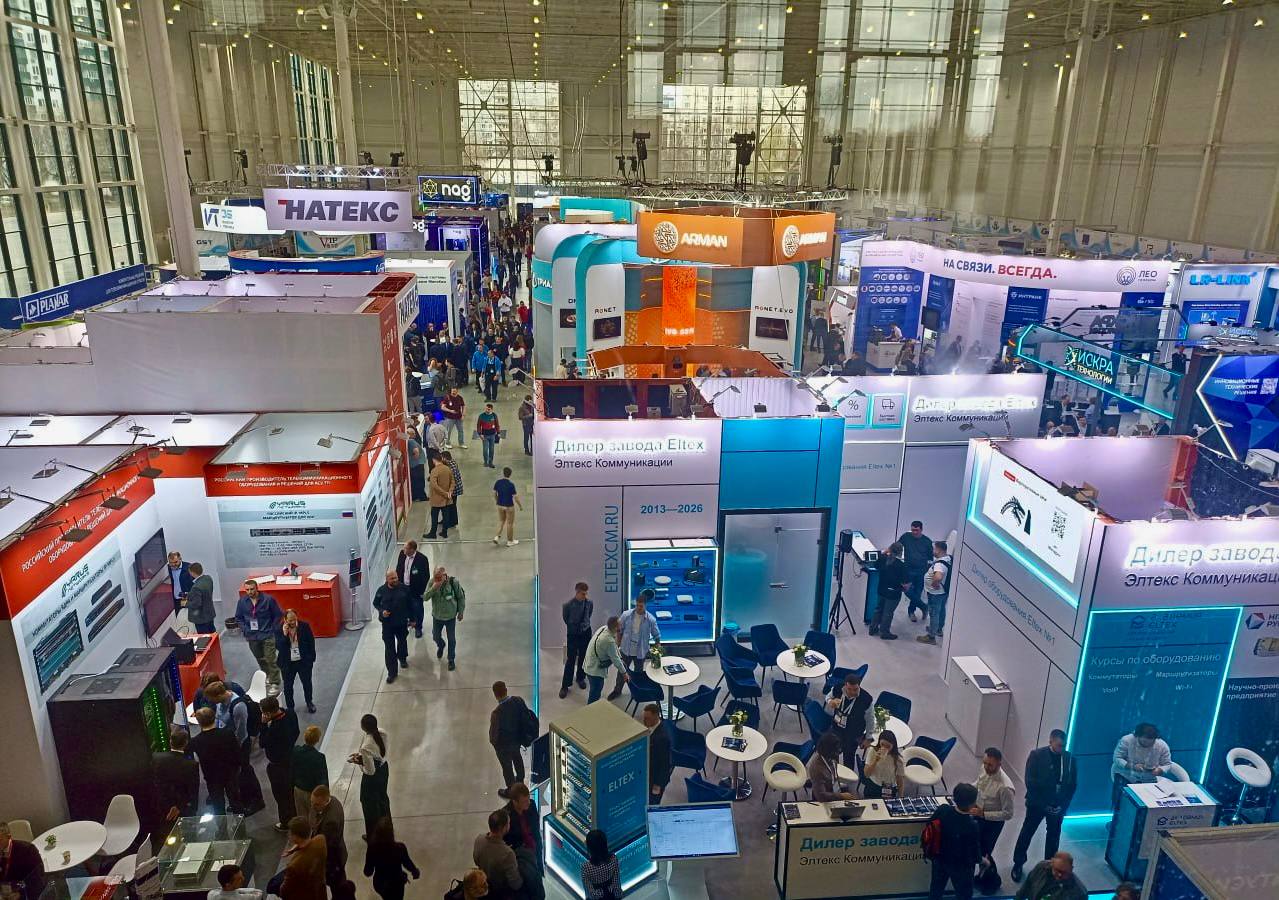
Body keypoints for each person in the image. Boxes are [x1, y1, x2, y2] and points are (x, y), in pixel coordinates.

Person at [1011, 729, 1077, 883]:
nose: (1061, 749)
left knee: (1053, 837)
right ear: (1051, 741)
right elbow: (1030, 782)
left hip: (1058, 806)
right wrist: (1045, 804)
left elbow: (1072, 785)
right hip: (1037, 805)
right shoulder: (1036, 755)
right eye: (1059, 745)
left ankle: (1050, 866)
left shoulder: (1069, 759)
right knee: (1027, 832)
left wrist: (1063, 806)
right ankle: (1018, 863)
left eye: (1064, 746)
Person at [206, 681, 265, 814]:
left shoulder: (238, 706)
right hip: (228, 743)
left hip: (240, 745)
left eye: (212, 699)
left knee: (245, 771)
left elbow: (241, 732)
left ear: (218, 695)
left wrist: (233, 749)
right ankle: (244, 799)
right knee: (237, 774)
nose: (211, 702)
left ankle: (256, 801)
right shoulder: (221, 703)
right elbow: (219, 720)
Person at [927, 782, 981, 900]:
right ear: (972, 804)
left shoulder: (943, 810)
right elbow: (974, 852)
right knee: (963, 894)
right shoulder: (972, 825)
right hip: (960, 867)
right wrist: (982, 860)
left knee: (936, 889)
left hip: (939, 859)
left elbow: (930, 824)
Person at [972, 747, 1015, 882]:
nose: (986, 766)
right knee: (973, 846)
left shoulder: (1005, 787)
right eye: (984, 762)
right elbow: (978, 784)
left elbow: (1008, 814)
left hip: (992, 824)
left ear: (999, 764)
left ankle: (988, 878)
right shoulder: (984, 768)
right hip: (977, 813)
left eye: (990, 765)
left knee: (985, 851)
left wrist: (984, 814)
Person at [189, 706, 242, 815]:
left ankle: (221, 825)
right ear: (214, 717)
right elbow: (237, 752)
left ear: (199, 722)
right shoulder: (228, 733)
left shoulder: (196, 741)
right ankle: (239, 822)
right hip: (230, 773)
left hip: (211, 776)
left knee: (218, 805)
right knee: (235, 801)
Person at [609, 592, 661, 700]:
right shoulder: (626, 615)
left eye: (641, 606)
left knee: (638, 674)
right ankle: (617, 690)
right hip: (626, 649)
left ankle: (637, 691)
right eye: (637, 605)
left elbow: (657, 636)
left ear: (645, 605)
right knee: (621, 671)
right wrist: (618, 644)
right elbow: (619, 630)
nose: (638, 608)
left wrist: (657, 652)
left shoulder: (651, 619)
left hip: (640, 651)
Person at [1111, 723, 1172, 814]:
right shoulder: (1126, 740)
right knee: (1120, 805)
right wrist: (1132, 766)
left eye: (1151, 743)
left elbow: (1167, 764)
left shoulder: (1162, 745)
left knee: (1148, 805)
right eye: (1144, 742)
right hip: (1125, 775)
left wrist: (1160, 770)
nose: (1147, 745)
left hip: (1149, 778)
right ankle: (1117, 819)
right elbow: (1117, 758)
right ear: (1137, 736)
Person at [260, 696, 301, 832]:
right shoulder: (290, 713)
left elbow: (262, 743)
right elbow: (297, 731)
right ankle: (296, 816)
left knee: (281, 795)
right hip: (292, 759)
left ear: (268, 713)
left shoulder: (274, 729)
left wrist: (263, 725)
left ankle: (286, 822)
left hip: (278, 765)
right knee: (291, 791)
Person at [235, 579, 283, 689]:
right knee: (260, 658)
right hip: (252, 636)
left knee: (271, 659)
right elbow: (238, 618)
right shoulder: (242, 602)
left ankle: (275, 682)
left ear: (257, 588)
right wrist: (245, 629)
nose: (250, 592)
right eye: (247, 590)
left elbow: (278, 614)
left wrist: (273, 628)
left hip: (267, 634)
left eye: (252, 589)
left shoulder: (268, 599)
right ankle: (267, 675)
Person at [350, 714, 392, 839]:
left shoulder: (365, 747)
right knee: (383, 799)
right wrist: (363, 757)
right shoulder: (383, 733)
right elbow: (378, 753)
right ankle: (387, 828)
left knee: (369, 806)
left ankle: (373, 835)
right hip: (384, 769)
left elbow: (370, 771)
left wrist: (359, 762)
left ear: (363, 727)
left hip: (373, 779)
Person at [490, 680, 532, 797]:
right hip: (517, 741)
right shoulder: (518, 700)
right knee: (518, 759)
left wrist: (495, 745)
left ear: (495, 695)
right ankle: (520, 781)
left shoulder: (496, 713)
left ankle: (511, 790)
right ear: (506, 690)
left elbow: (494, 736)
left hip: (504, 747)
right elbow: (526, 716)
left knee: (507, 767)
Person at [826, 672, 875, 768]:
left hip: (853, 733)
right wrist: (830, 701)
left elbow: (870, 719)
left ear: (859, 686)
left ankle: (848, 774)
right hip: (836, 728)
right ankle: (833, 770)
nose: (852, 692)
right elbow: (828, 697)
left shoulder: (866, 699)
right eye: (849, 689)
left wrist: (868, 738)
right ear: (845, 686)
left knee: (849, 756)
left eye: (855, 689)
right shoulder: (837, 688)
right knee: (831, 752)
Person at [363, 817, 419, 900]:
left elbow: (368, 872)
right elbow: (407, 863)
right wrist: (414, 871)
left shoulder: (373, 849)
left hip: (381, 884)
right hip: (397, 883)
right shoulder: (400, 848)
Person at [473, 810, 523, 900]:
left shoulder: (479, 839)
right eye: (508, 823)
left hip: (483, 887)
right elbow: (515, 884)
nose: (509, 825)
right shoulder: (508, 854)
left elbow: (476, 861)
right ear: (503, 828)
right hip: (500, 893)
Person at [153, 728, 200, 821]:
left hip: (162, 807)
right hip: (184, 810)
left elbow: (157, 783)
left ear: (170, 741)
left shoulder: (156, 758)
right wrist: (187, 808)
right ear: (186, 743)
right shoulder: (191, 765)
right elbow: (193, 790)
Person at [372, 570, 411, 684]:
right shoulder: (381, 590)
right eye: (392, 578)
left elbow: (410, 605)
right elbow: (376, 603)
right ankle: (392, 673)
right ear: (387, 579)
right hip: (387, 624)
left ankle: (402, 658)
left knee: (402, 642)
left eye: (396, 577)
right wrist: (382, 611)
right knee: (389, 649)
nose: (395, 580)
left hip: (401, 623)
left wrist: (413, 619)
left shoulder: (404, 589)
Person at [276, 609, 317, 713]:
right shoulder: (279, 629)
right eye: (290, 620)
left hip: (303, 661)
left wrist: (311, 658)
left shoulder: (304, 626)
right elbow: (279, 647)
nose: (293, 622)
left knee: (307, 683)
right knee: (288, 686)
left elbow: (311, 642)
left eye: (294, 619)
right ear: (285, 620)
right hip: (287, 663)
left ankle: (309, 702)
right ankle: (290, 707)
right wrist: (285, 635)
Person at [425, 565, 466, 670]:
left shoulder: (453, 582)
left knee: (451, 639)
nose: (437, 580)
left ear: (445, 575)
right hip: (437, 616)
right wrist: (434, 588)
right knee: (435, 636)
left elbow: (461, 597)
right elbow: (425, 597)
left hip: (450, 617)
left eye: (439, 578)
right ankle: (441, 645)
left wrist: (461, 612)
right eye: (435, 577)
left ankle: (451, 659)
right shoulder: (432, 582)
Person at [308, 785, 348, 888]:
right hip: (337, 855)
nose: (313, 806)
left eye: (316, 804)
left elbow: (327, 846)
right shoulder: (332, 800)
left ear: (326, 801)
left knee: (337, 887)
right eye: (312, 802)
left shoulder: (331, 822)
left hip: (333, 862)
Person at [280, 816, 328, 900]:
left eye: (290, 833)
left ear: (295, 837)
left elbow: (284, 891)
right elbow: (308, 843)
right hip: (319, 892)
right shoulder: (321, 840)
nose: (289, 835)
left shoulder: (294, 866)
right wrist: (294, 848)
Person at [559, 583, 594, 699]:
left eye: (586, 593)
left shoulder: (589, 603)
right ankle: (565, 685)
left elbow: (589, 615)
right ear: (577, 592)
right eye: (583, 594)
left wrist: (583, 627)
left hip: (586, 633)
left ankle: (580, 677)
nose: (585, 596)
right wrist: (575, 628)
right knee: (571, 659)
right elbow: (566, 619)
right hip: (573, 634)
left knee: (584, 656)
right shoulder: (568, 605)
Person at [870, 542, 911, 640]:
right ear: (900, 552)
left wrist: (884, 553)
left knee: (878, 609)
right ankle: (884, 632)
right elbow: (905, 583)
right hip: (893, 593)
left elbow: (875, 566)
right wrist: (906, 588)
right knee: (888, 612)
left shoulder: (882, 558)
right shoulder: (901, 565)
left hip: (881, 589)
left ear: (890, 548)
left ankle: (873, 629)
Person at [584, 616, 628, 704]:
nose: (621, 626)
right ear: (615, 628)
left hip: (589, 664)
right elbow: (616, 660)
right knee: (595, 694)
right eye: (620, 625)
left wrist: (620, 657)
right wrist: (624, 673)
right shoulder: (608, 641)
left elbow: (614, 648)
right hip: (595, 671)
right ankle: (591, 709)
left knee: (594, 691)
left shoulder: (604, 628)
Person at [897, 520, 934, 623]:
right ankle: (923, 606)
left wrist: (927, 570)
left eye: (916, 530)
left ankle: (911, 611)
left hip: (921, 571)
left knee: (917, 592)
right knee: (907, 590)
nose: (914, 532)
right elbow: (897, 546)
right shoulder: (906, 537)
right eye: (913, 530)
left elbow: (930, 558)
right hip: (908, 570)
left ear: (921, 530)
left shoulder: (927, 541)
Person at [918, 540, 953, 645]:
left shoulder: (939, 564)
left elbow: (938, 577)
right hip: (944, 592)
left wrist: (934, 583)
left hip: (935, 593)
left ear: (938, 550)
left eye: (934, 548)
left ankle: (931, 636)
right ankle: (938, 629)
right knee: (941, 610)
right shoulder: (949, 558)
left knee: (934, 613)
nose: (932, 551)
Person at [502, 783, 541, 874]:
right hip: (520, 857)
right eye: (524, 801)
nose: (528, 803)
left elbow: (536, 828)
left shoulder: (532, 805)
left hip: (535, 849)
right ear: (515, 802)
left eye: (528, 799)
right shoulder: (506, 816)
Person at [1013, 852, 1087, 900]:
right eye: (1057, 870)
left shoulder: (1080, 893)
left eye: (1064, 872)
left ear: (1071, 869)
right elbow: (1025, 889)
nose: (1060, 875)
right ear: (1052, 863)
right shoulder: (1041, 868)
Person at [395, 540, 431, 640]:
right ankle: (410, 621)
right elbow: (398, 568)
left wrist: (421, 590)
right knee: (405, 607)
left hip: (415, 589)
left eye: (406, 548)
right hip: (403, 587)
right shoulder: (402, 554)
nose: (403, 549)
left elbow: (426, 576)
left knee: (417, 608)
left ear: (412, 550)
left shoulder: (422, 559)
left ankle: (418, 627)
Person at [808, 731, 857, 803]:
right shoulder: (817, 769)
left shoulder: (831, 757)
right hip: (824, 800)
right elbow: (821, 796)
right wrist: (841, 796)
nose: (839, 751)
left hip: (834, 789)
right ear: (829, 751)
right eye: (836, 750)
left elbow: (834, 776)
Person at [292, 725, 329, 820]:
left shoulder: (295, 751)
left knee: (301, 817)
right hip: (312, 793)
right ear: (317, 740)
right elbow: (322, 777)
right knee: (313, 818)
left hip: (298, 789)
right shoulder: (319, 757)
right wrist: (326, 794)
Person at [0, 821, 44, 900]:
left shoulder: (28, 850)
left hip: (25, 895)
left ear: (9, 837)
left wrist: (21, 894)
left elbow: (38, 880)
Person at [862, 729, 906, 799]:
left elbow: (900, 780)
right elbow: (866, 774)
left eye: (888, 746)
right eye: (882, 744)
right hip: (873, 785)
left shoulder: (897, 759)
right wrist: (875, 761)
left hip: (888, 788)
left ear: (893, 746)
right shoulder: (873, 751)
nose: (884, 748)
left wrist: (901, 797)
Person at [642, 704, 672, 804]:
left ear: (656, 716)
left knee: (653, 803)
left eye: (647, 718)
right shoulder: (651, 728)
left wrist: (658, 784)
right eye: (644, 718)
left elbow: (665, 763)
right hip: (649, 773)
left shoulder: (662, 738)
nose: (644, 721)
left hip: (656, 778)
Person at [580, 829, 620, 900]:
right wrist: (618, 895)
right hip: (611, 894)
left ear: (590, 848)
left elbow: (588, 890)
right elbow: (616, 882)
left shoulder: (586, 867)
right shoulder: (614, 859)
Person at [426, 454, 456, 540]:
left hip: (437, 498)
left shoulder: (434, 471)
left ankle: (433, 533)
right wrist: (449, 492)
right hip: (446, 499)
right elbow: (453, 481)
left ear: (434, 460)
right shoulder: (447, 469)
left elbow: (434, 485)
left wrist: (444, 493)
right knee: (446, 516)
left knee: (434, 516)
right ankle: (444, 532)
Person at [493, 467, 523, 547]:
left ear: (503, 473)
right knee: (509, 523)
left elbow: (494, 493)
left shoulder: (498, 482)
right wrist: (520, 506)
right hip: (509, 506)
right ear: (510, 474)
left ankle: (496, 537)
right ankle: (510, 541)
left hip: (500, 505)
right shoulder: (511, 485)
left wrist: (497, 501)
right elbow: (515, 497)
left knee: (501, 521)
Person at [185, 562, 217, 634]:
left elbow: (196, 604)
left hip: (201, 617)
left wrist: (186, 603)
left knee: (204, 637)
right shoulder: (208, 578)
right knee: (213, 633)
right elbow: (204, 593)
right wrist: (190, 594)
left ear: (192, 572)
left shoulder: (196, 587)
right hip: (209, 613)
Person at [167, 550, 194, 616]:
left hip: (187, 599)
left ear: (180, 559)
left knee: (188, 618)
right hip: (174, 600)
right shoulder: (167, 569)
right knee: (178, 619)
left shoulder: (189, 567)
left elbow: (195, 584)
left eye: (175, 562)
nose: (173, 564)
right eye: (171, 563)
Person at [407, 426, 428, 502]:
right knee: (420, 481)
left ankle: (415, 496)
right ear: (409, 434)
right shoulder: (411, 441)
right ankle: (422, 496)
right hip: (417, 465)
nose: (415, 435)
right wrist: (416, 458)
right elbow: (416, 451)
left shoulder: (408, 441)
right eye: (413, 433)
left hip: (414, 465)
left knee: (415, 481)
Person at [477, 403, 501, 468]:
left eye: (489, 409)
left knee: (491, 450)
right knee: (485, 450)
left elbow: (497, 424)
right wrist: (480, 434)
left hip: (492, 435)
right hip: (485, 436)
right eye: (486, 409)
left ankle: (491, 462)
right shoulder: (481, 416)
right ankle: (485, 462)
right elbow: (478, 425)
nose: (487, 410)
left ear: (492, 409)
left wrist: (498, 432)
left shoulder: (494, 415)